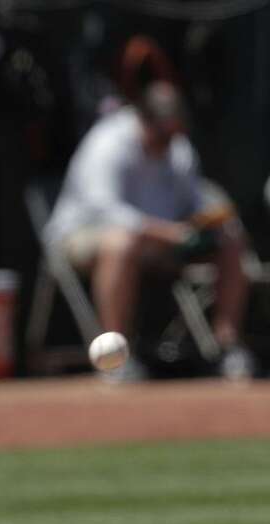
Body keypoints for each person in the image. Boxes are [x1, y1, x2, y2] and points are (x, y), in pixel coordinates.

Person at [44, 81, 254, 381]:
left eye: (173, 133)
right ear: (144, 119)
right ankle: (115, 357)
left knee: (231, 239)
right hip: (84, 236)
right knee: (121, 242)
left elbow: (194, 200)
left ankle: (227, 347)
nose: (168, 141)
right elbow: (105, 211)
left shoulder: (177, 147)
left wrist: (208, 220)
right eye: (162, 133)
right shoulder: (108, 141)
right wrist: (166, 232)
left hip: (162, 241)